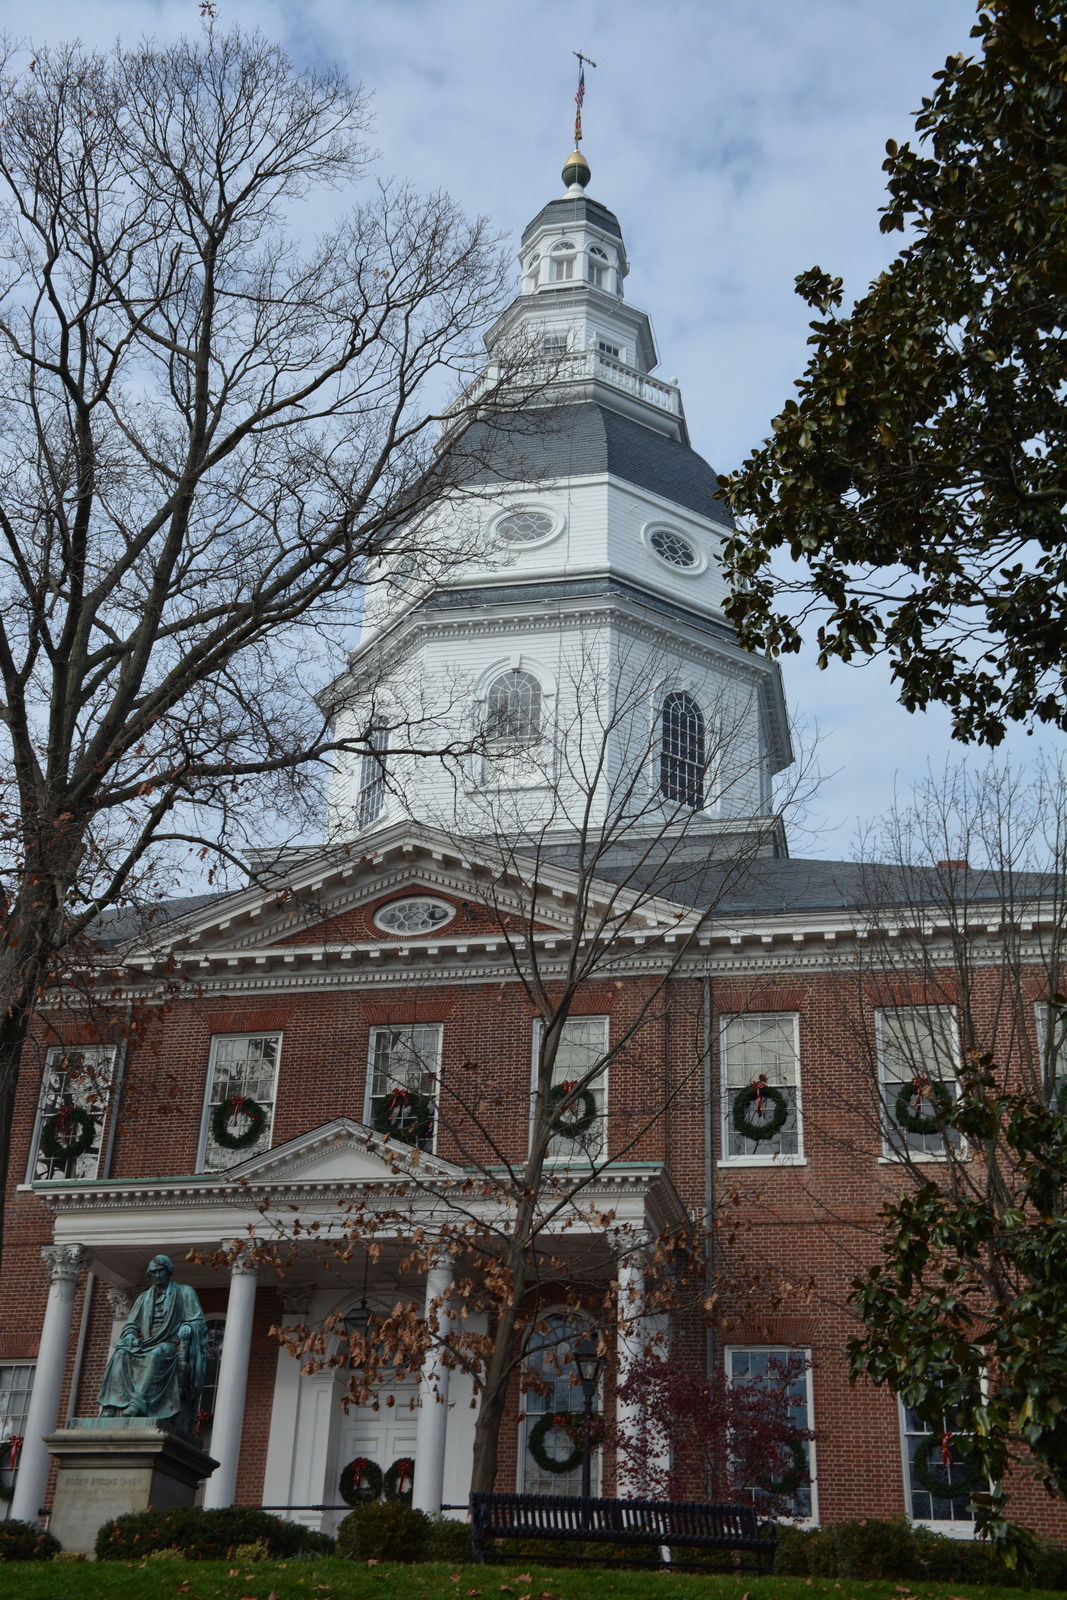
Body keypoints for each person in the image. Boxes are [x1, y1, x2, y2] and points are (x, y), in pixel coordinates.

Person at [98, 1254, 208, 1437]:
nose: (157, 1276)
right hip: (145, 1343)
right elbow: (132, 1325)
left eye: (161, 1271)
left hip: (170, 1344)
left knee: (158, 1354)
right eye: (154, 1272)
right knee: (121, 1354)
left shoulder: (185, 1292)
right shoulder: (143, 1298)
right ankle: (112, 1404)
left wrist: (188, 1326)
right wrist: (131, 1336)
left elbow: (198, 1321)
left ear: (168, 1271)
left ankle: (137, 1404)